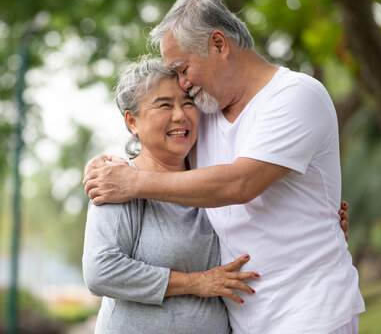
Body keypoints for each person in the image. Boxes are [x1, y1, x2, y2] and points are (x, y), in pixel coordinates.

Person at [84, 0, 364, 334]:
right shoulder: (207, 112)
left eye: (184, 68)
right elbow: (165, 157)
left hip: (309, 311)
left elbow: (240, 183)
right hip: (245, 321)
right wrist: (104, 167)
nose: (183, 85)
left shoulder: (296, 96)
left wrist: (132, 183)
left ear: (219, 44)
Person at [82, 57, 260, 334]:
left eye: (188, 103)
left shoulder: (213, 180)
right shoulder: (117, 182)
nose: (180, 115)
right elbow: (100, 271)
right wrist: (195, 282)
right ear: (132, 121)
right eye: (165, 105)